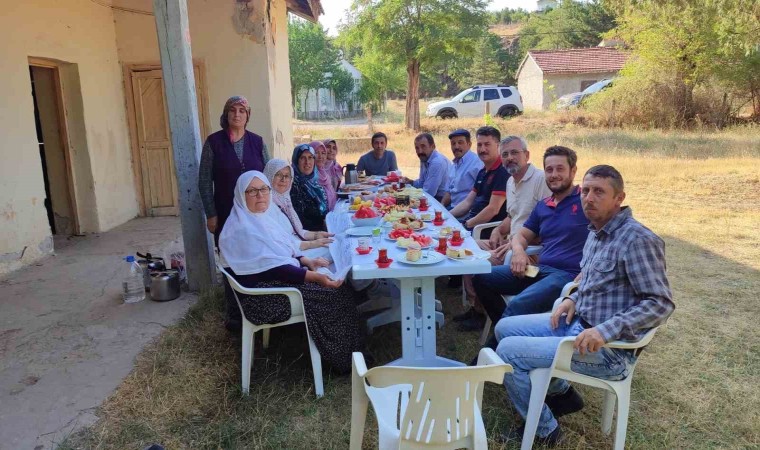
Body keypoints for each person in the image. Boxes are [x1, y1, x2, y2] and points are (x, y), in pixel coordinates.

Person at [494, 165, 674, 446]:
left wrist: (604, 331)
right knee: (503, 328)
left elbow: (660, 303)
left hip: (609, 351)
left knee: (508, 351)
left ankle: (545, 431)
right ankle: (563, 394)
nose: (589, 198)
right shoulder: (596, 231)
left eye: (599, 191)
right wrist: (572, 299)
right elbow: (591, 278)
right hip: (578, 325)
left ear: (619, 198)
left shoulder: (638, 240)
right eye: (586, 190)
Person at [219, 170, 365, 373]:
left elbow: (281, 253)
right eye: (252, 191)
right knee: (335, 294)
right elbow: (273, 270)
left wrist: (307, 262)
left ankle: (352, 353)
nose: (260, 195)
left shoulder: (260, 219)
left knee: (338, 289)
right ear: (241, 196)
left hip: (272, 285)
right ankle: (345, 360)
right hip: (261, 300)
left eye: (263, 189)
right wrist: (315, 277)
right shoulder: (241, 229)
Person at [473, 146, 590, 327]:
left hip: (567, 276)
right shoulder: (543, 205)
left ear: (573, 171)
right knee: (481, 278)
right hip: (539, 270)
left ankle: (500, 337)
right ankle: (505, 328)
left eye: (560, 169)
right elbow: (521, 235)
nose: (554, 175)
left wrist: (591, 269)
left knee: (518, 305)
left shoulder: (585, 202)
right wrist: (519, 251)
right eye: (549, 170)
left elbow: (611, 233)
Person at [457, 136, 551, 331]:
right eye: (505, 154)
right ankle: (478, 308)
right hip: (510, 243)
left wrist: (517, 244)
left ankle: (485, 314)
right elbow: (512, 215)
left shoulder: (540, 180)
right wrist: (499, 230)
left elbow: (548, 226)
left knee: (475, 260)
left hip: (529, 253)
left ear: (527, 155)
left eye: (515, 153)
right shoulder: (510, 181)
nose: (510, 158)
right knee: (465, 247)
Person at [198, 95, 270, 331]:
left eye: (242, 110)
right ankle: (235, 314)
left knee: (255, 255)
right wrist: (211, 214)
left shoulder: (257, 142)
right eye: (232, 110)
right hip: (225, 212)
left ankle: (259, 306)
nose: (237, 114)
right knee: (230, 260)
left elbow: (267, 177)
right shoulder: (214, 143)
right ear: (226, 114)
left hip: (255, 215)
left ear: (248, 116)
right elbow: (204, 181)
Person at [263, 159, 334, 259]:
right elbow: (280, 243)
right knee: (334, 251)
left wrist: (317, 235)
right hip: (289, 255)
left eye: (287, 176)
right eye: (278, 175)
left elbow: (296, 232)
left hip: (298, 247)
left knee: (335, 245)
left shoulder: (285, 201)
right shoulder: (266, 207)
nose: (283, 180)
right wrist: (312, 244)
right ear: (269, 176)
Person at [449, 127, 509, 234]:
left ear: (498, 146)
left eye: (487, 144)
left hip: (482, 231)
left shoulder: (502, 172)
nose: (482, 149)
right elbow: (467, 202)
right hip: (470, 224)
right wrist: (446, 216)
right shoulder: (482, 172)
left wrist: (465, 225)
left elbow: (493, 209)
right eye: (479, 145)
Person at [290, 144, 329, 232]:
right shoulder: (293, 186)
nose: (307, 162)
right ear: (296, 161)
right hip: (310, 235)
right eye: (302, 158)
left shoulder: (315, 184)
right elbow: (300, 221)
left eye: (310, 157)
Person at [441, 128, 483, 210]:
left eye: (460, 143)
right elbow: (449, 192)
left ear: (469, 144)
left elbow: (481, 193)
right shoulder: (454, 165)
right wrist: (441, 207)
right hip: (452, 208)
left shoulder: (476, 163)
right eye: (453, 143)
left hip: (466, 212)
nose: (456, 147)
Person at [400, 133, 451, 200]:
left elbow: (428, 193)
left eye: (423, 146)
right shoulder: (425, 158)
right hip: (432, 196)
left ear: (432, 146)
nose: (420, 151)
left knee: (401, 200)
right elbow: (422, 183)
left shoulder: (437, 162)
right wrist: (411, 182)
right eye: (417, 148)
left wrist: (402, 197)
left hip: (442, 200)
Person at [310, 140, 337, 211]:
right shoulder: (310, 177)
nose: (320, 156)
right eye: (316, 153)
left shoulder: (325, 175)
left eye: (323, 153)